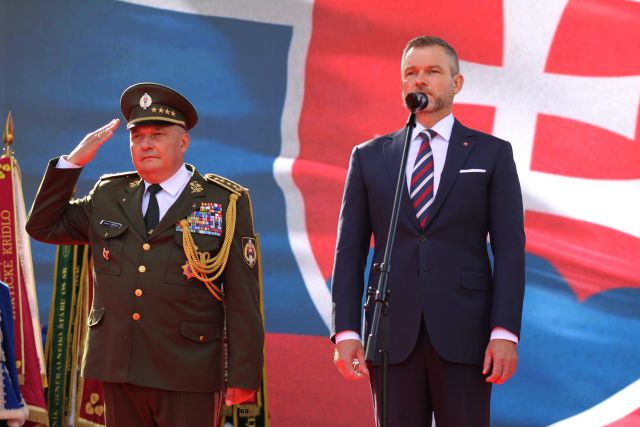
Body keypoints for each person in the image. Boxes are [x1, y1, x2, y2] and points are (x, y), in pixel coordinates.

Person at [26, 83, 264, 427]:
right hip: (119, 365)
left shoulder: (223, 201)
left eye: (158, 134)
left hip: (187, 369)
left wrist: (243, 374)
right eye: (137, 137)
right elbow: (42, 226)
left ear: (183, 142)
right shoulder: (109, 194)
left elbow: (243, 296)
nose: (146, 144)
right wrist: (72, 162)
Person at [331, 36, 525, 426]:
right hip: (390, 334)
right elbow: (349, 252)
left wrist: (504, 332)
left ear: (456, 83)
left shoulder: (491, 153)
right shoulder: (369, 156)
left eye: (432, 71)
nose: (419, 80)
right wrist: (346, 331)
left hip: (465, 331)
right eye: (411, 73)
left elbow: (509, 250)